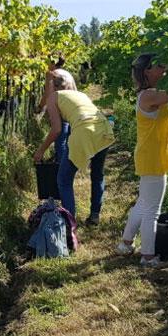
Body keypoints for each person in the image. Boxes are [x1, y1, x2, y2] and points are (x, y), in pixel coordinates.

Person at [117, 54, 168, 267]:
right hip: (153, 157)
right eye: (160, 66)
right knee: (153, 209)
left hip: (149, 154)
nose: (164, 70)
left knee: (143, 203)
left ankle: (125, 244)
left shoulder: (148, 94)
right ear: (147, 72)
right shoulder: (150, 95)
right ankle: (148, 257)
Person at [34, 74, 114, 225]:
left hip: (84, 130)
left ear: (53, 87)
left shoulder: (53, 97)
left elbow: (57, 129)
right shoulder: (80, 94)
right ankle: (95, 215)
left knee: (63, 179)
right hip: (103, 128)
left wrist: (41, 150)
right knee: (97, 174)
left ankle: (70, 224)